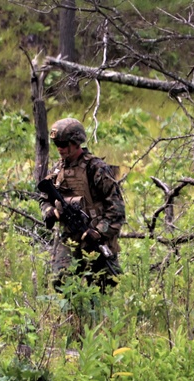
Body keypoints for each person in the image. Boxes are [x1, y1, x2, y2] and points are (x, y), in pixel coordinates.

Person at [39, 117, 124, 291]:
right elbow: (44, 198)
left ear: (76, 142)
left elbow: (117, 207)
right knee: (61, 281)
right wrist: (50, 211)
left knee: (104, 286)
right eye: (56, 144)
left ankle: (97, 318)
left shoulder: (96, 168)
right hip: (70, 238)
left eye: (63, 143)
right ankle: (73, 316)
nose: (60, 148)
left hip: (95, 237)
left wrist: (99, 231)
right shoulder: (57, 170)